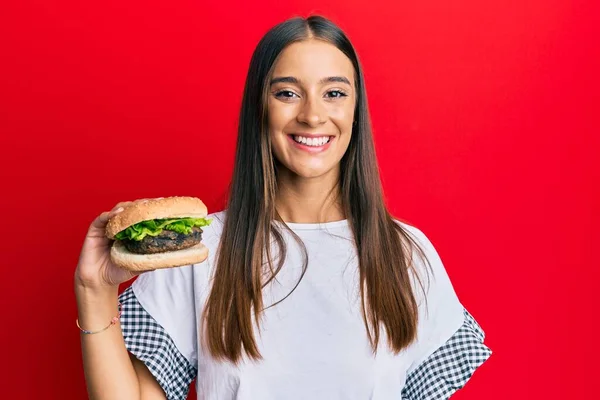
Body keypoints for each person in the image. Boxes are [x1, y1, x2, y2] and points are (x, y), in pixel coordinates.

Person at [74, 15, 491, 400]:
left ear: (355, 110)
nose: (313, 115)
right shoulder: (200, 250)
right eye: (288, 93)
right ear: (261, 107)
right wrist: (93, 290)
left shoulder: (406, 254)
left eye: (334, 93)